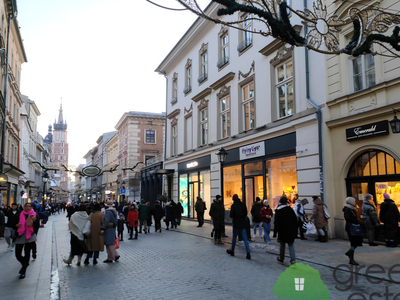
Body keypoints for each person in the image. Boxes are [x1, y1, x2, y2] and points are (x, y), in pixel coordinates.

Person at [14, 203, 40, 279]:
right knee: (18, 254)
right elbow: (12, 223)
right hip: (20, 235)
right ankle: (25, 263)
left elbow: (37, 226)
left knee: (27, 253)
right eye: (26, 206)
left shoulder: (34, 214)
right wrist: (16, 225)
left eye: (29, 206)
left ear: (31, 207)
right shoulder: (19, 214)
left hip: (30, 236)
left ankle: (23, 271)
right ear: (24, 207)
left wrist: (34, 222)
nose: (28, 208)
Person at [226, 194, 251, 259]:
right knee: (245, 238)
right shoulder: (243, 204)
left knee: (234, 237)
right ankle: (248, 252)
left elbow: (231, 215)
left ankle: (232, 250)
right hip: (243, 223)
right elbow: (246, 213)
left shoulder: (233, 205)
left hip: (236, 223)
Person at [275, 196, 297, 265]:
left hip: (282, 230)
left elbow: (276, 222)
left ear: (280, 202)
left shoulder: (278, 210)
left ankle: (281, 259)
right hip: (290, 230)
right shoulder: (290, 210)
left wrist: (275, 232)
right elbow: (295, 220)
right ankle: (293, 260)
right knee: (291, 245)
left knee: (282, 245)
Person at [343, 197, 363, 265]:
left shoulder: (351, 208)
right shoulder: (348, 210)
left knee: (356, 242)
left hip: (352, 227)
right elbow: (348, 218)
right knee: (354, 242)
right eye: (354, 201)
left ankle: (350, 254)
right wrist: (356, 221)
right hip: (351, 227)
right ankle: (351, 258)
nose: (355, 202)